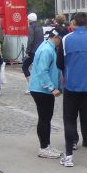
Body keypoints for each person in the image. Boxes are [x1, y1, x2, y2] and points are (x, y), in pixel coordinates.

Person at [57, 12, 87, 168]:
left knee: (69, 120)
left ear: (74, 22)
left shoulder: (66, 39)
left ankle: (69, 156)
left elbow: (59, 63)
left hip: (71, 86)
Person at [28, 29, 63, 158]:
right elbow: (43, 71)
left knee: (45, 118)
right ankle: (44, 147)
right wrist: (51, 88)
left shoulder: (47, 46)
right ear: (57, 38)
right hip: (41, 89)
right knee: (44, 118)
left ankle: (46, 145)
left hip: (41, 88)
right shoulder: (47, 50)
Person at [22, 12, 43, 84]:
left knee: (25, 67)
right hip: (40, 50)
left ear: (30, 19)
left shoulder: (31, 27)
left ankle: (31, 85)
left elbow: (30, 40)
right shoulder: (40, 27)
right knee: (37, 68)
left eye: (28, 19)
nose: (27, 20)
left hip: (32, 51)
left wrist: (27, 52)